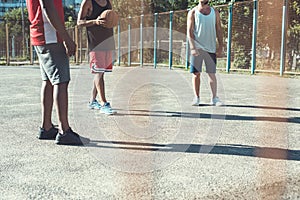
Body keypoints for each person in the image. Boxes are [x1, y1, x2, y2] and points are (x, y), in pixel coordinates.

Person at [26, 0, 90, 145]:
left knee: (48, 80)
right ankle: (64, 131)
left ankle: (46, 126)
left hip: (41, 34)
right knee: (61, 81)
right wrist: (66, 38)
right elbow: (48, 6)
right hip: (50, 35)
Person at [77, 0, 117, 115]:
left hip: (108, 42)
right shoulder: (88, 2)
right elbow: (79, 22)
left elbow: (110, 20)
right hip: (96, 44)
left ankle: (92, 101)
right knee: (99, 73)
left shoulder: (108, 2)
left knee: (101, 72)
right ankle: (104, 103)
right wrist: (95, 21)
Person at [187, 0, 224, 106]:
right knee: (196, 74)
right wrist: (193, 47)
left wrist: (220, 46)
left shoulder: (214, 12)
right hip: (197, 48)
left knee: (211, 73)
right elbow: (189, 31)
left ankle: (214, 98)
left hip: (211, 48)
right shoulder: (193, 12)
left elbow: (219, 29)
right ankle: (197, 98)